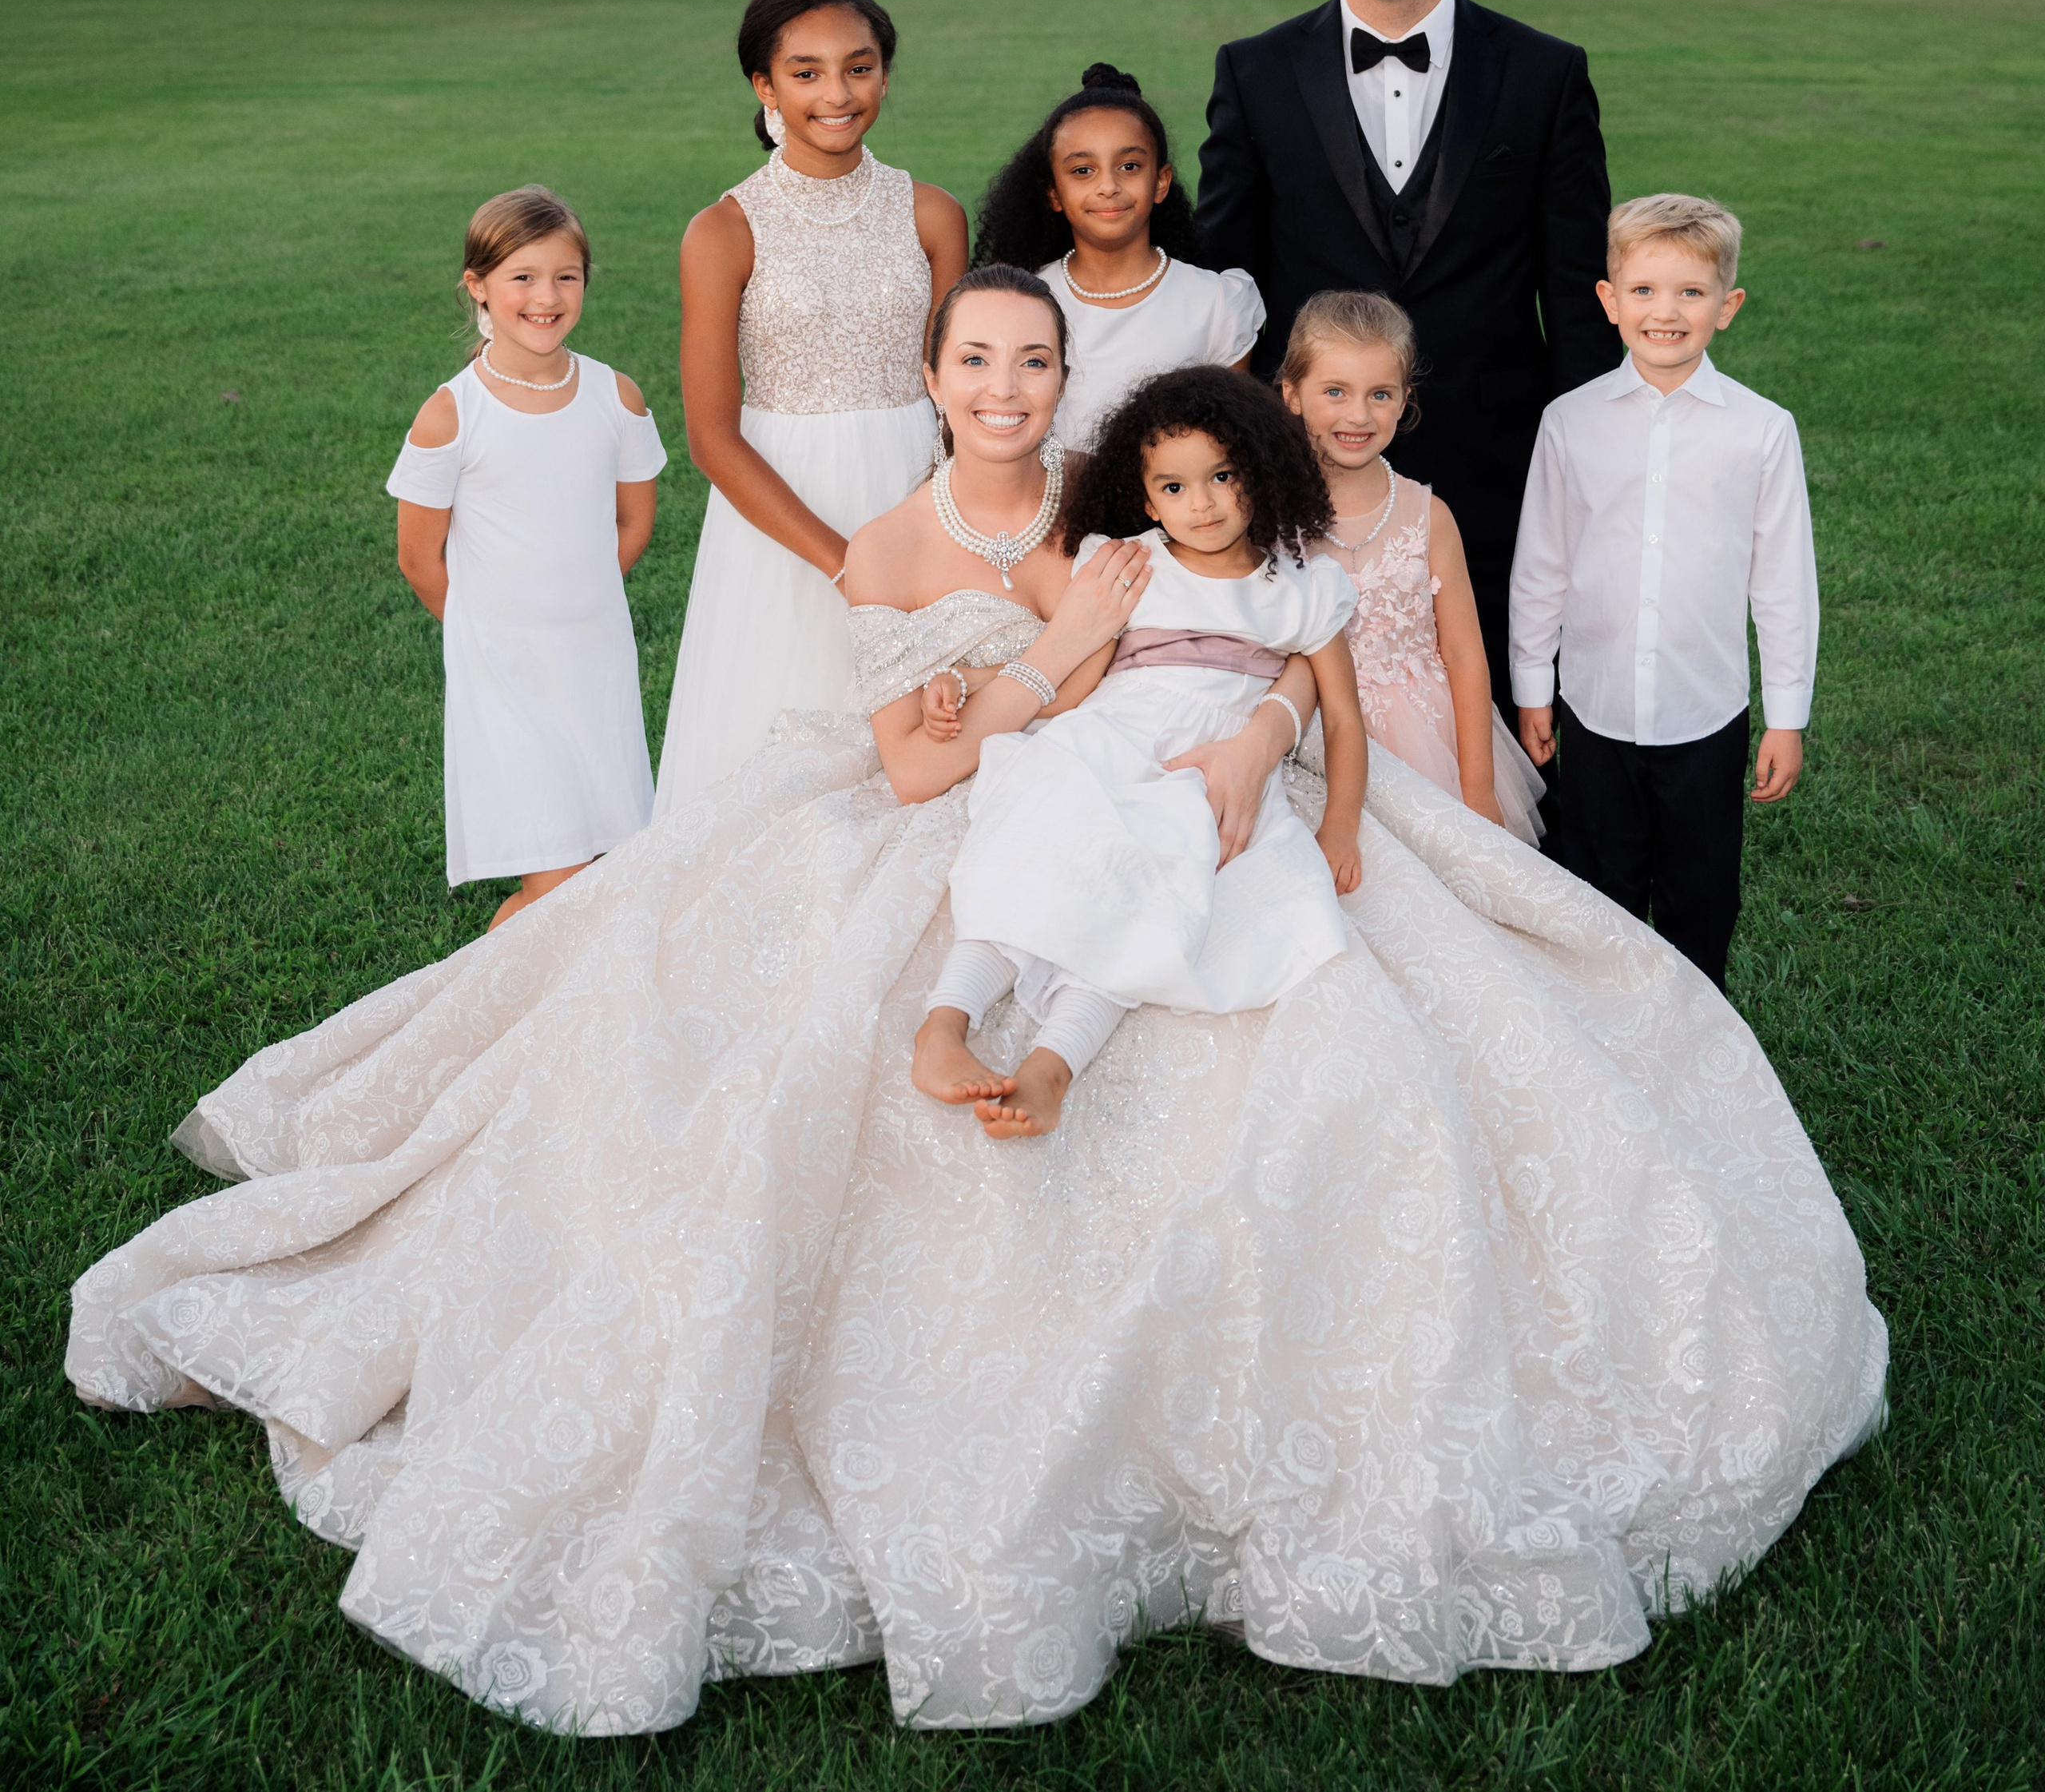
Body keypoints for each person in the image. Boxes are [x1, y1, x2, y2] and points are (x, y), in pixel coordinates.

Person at [71, 268, 1883, 1738]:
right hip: (1004, 786)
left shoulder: (1158, 529)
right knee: (918, 948)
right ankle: (969, 1029)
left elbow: (1282, 657)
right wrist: (1004, 698)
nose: (1006, 386)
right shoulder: (915, 545)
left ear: (1072, 392)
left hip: (1182, 782)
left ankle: (1079, 1062)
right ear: (935, 381)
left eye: (1033, 361)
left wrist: (1272, 736)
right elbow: (957, 735)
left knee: (1348, 1013)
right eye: (977, 360)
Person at [1193, 0, 1619, 688]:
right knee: (1310, 692)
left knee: (1497, 694)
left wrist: (1584, 459)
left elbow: (1578, 292)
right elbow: (1229, 286)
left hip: (1495, 461)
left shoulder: (1545, 73)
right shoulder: (1255, 72)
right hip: (1311, 462)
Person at [914, 363, 1367, 1138]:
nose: (1203, 503)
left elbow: (1345, 717)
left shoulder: (1300, 587)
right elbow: (1073, 679)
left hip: (1206, 760)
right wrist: (967, 680)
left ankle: (1053, 1063)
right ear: (1148, 497)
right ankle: (944, 1023)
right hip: (1113, 731)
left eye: (1222, 475)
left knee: (1156, 887)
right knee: (1041, 841)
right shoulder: (1131, 563)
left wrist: (1341, 826)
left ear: (1259, 469)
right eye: (1174, 487)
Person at [654, 0, 967, 813]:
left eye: (859, 68)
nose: (838, 93)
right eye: (806, 72)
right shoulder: (723, 230)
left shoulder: (933, 214)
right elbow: (711, 438)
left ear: (884, 76)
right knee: (778, 753)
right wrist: (845, 563)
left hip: (912, 496)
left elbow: (958, 400)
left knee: (920, 752)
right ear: (765, 85)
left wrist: (941, 538)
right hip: (779, 517)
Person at [1509, 192, 1818, 993]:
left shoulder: (1761, 429)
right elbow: (1542, 564)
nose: (1666, 311)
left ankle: (1698, 1039)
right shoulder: (1570, 421)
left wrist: (1787, 716)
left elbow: (1783, 584)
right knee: (1596, 895)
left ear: (1728, 306)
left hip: (1704, 713)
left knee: (1700, 898)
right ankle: (1608, 1038)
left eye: (1691, 292)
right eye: (1644, 289)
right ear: (1609, 299)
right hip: (1595, 708)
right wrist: (1533, 687)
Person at [387, 185, 666, 928]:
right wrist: (487, 627)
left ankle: (545, 991)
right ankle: (482, 988)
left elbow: (634, 521)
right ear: (478, 286)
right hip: (504, 669)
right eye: (523, 277)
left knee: (605, 862)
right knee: (559, 874)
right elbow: (419, 557)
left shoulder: (616, 397)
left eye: (565, 276)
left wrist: (577, 596)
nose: (547, 297)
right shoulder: (452, 413)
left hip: (595, 660)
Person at [1280, 288, 1544, 844]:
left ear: (1405, 400)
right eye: (1335, 391)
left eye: (1380, 394)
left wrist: (1478, 787)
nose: (1359, 415)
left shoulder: (1429, 516)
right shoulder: (1271, 516)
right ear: (1292, 393)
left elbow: (1465, 655)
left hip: (1428, 742)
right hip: (1314, 738)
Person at [974, 62, 1261, 447]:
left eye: (1129, 166)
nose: (1108, 186)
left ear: (1161, 182)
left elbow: (1232, 441)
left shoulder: (1217, 303)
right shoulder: (1022, 301)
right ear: (1053, 193)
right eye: (1083, 171)